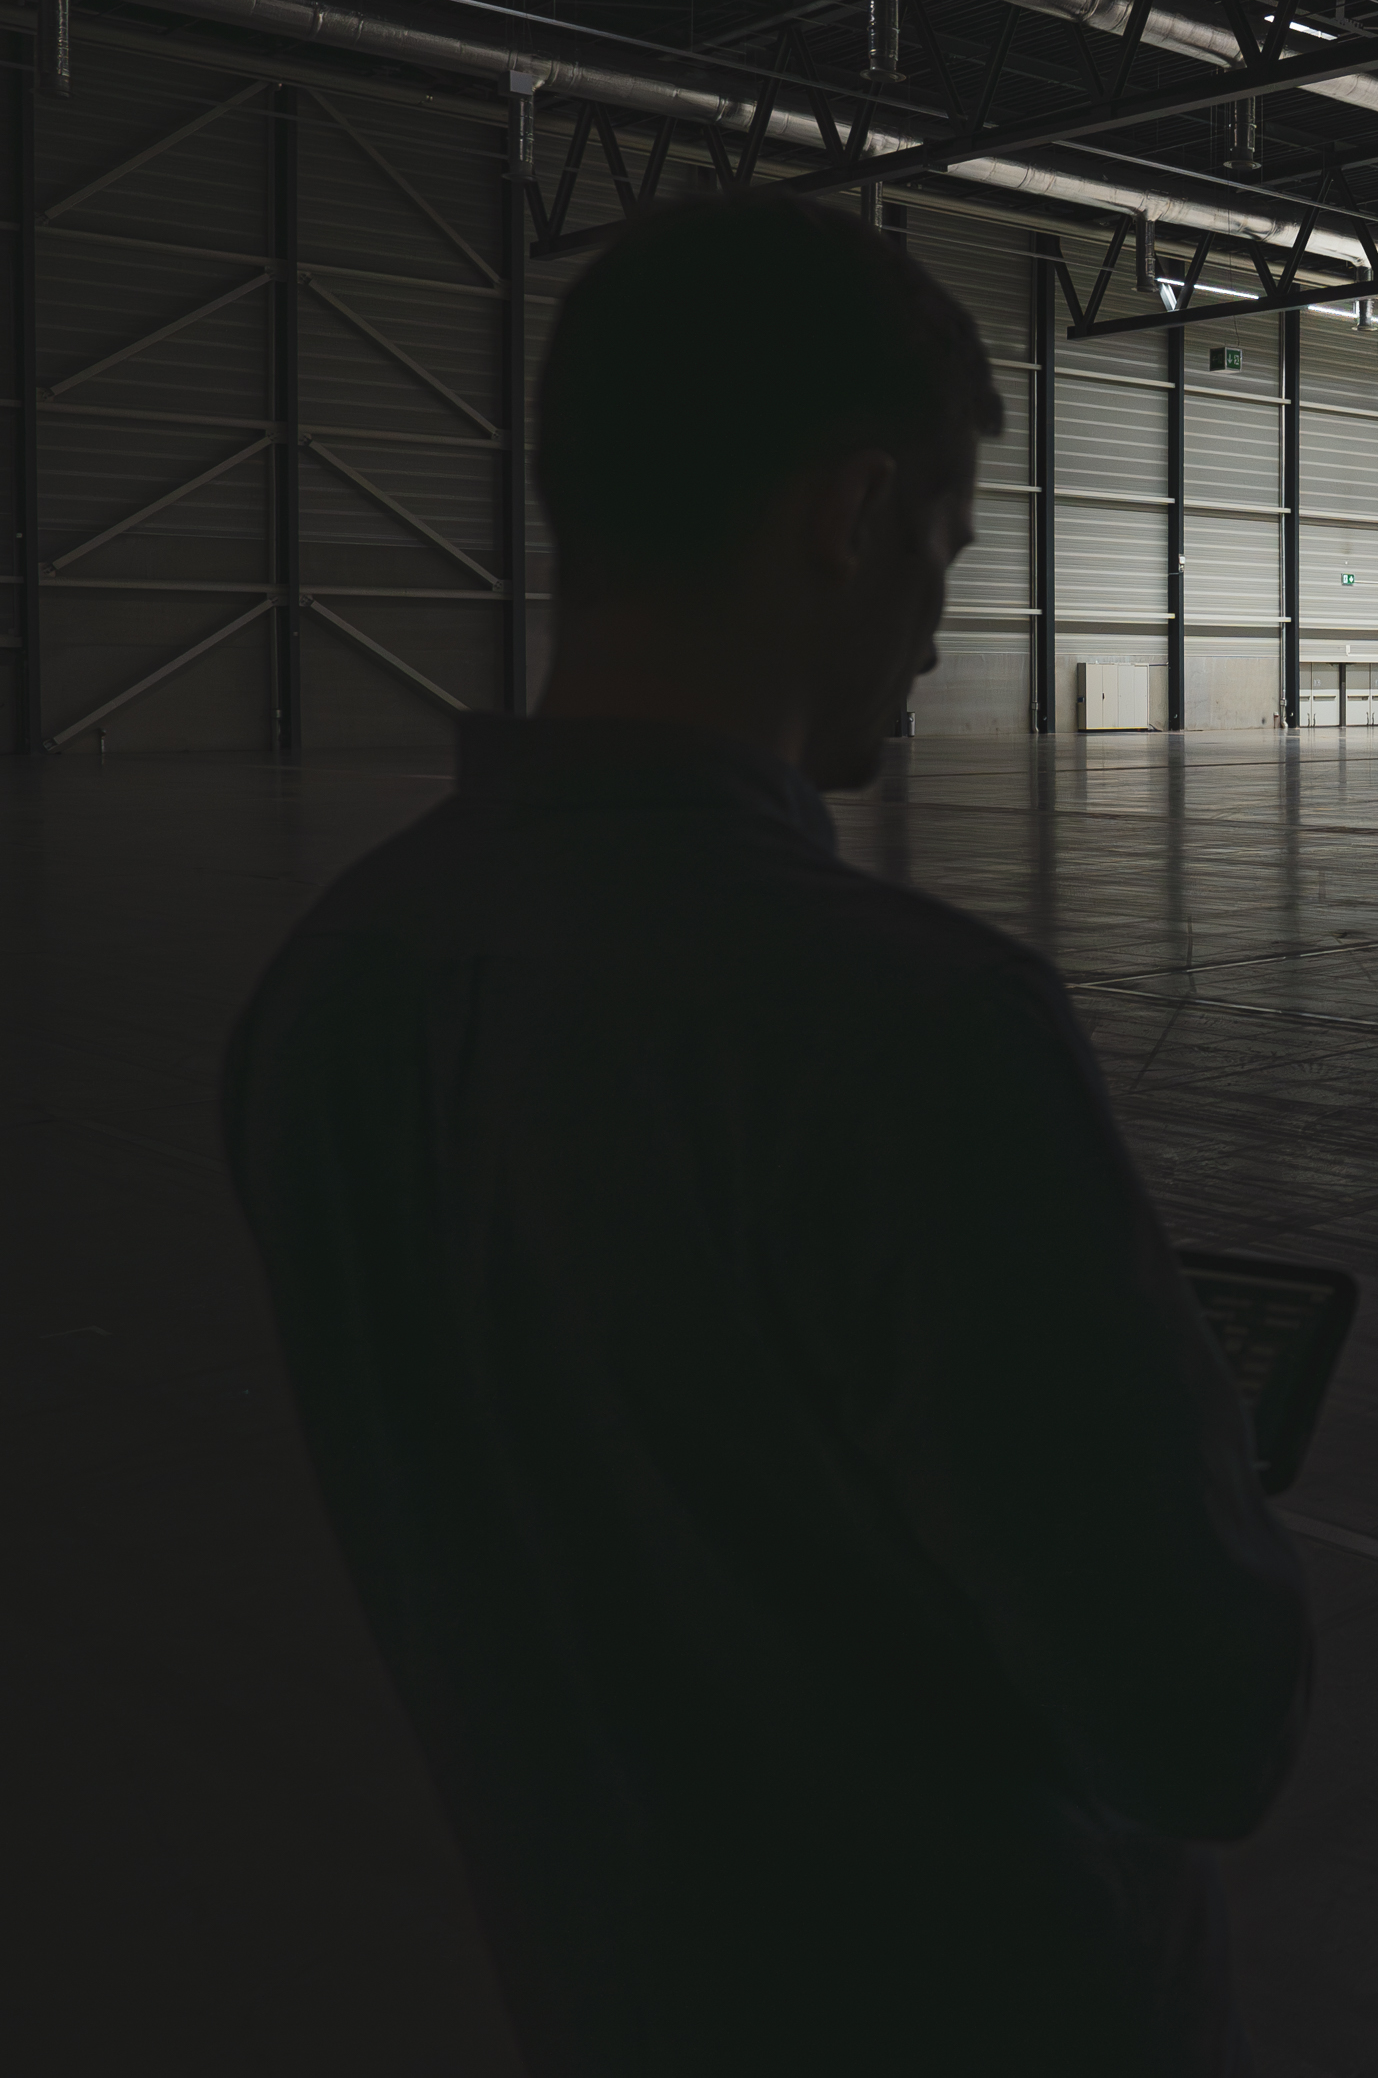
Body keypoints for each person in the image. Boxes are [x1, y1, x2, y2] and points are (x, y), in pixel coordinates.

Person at [224, 195, 1308, 2076]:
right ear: (851, 512)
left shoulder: (327, 989)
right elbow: (1197, 1723)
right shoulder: (914, 1033)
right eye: (947, 546)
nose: (943, 619)